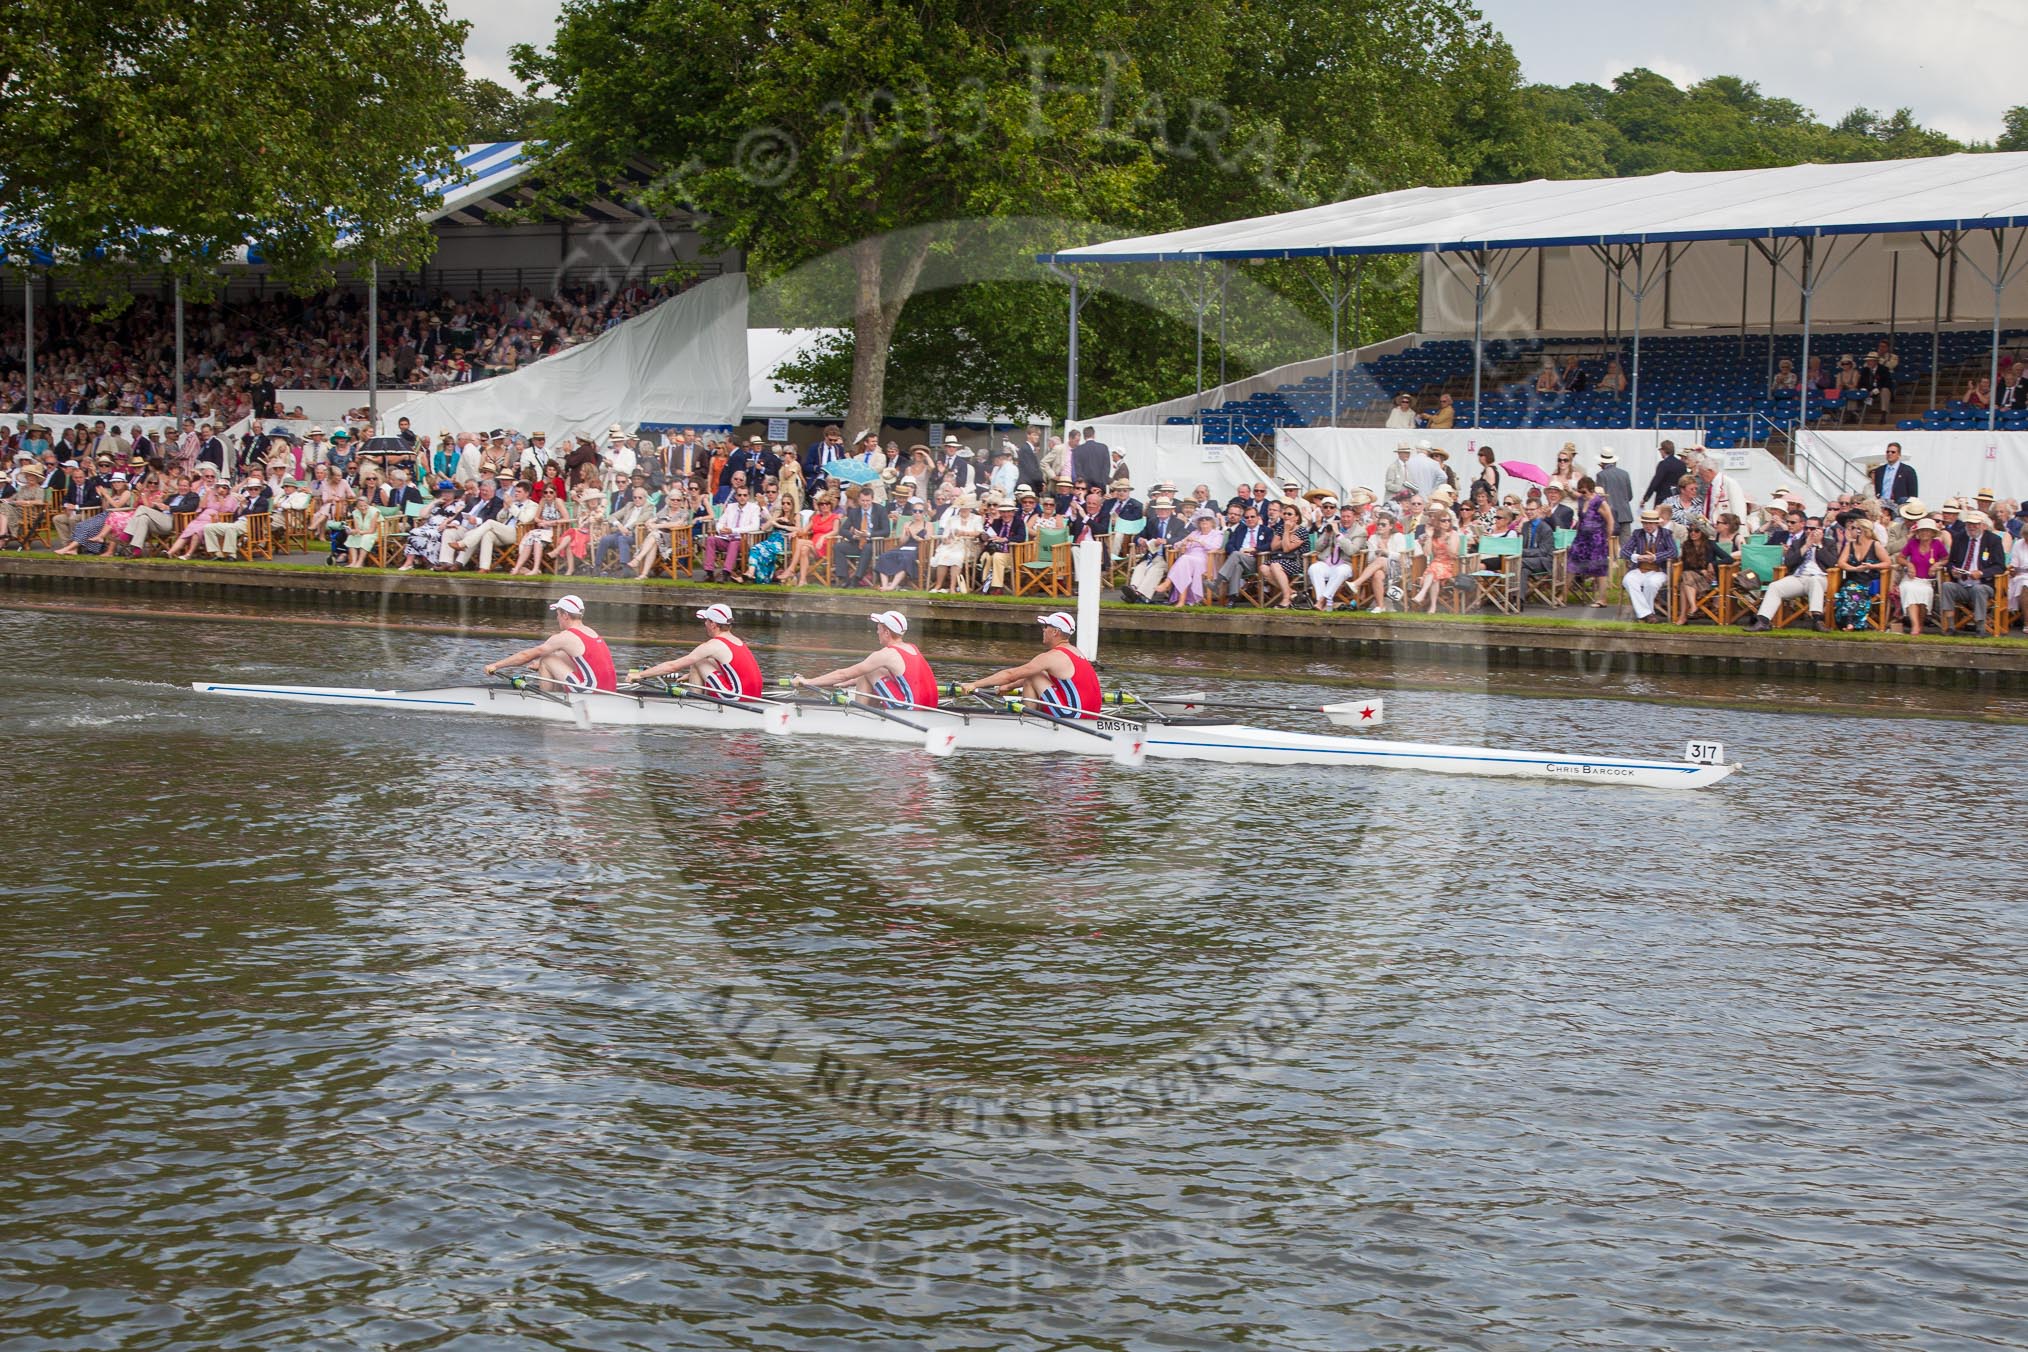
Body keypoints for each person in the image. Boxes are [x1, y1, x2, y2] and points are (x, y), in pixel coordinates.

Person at [957, 611, 1101, 718]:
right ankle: (1034, 717)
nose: (1043, 629)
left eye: (1046, 626)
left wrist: (974, 684)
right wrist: (1009, 687)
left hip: (1072, 716)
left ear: (1055, 632)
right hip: (1091, 715)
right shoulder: (1077, 652)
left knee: (1031, 677)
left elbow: (1010, 675)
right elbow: (1035, 676)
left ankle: (1028, 722)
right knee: (1037, 674)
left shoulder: (1052, 657)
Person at [793, 611, 938, 709]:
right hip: (930, 706)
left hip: (911, 708)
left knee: (867, 672)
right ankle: (870, 710)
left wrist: (808, 681)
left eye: (879, 628)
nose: (877, 632)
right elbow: (900, 678)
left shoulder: (886, 654)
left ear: (887, 632)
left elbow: (844, 673)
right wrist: (848, 683)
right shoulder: (912, 648)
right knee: (871, 671)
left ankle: (859, 717)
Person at [483, 594, 618, 692]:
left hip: (590, 691)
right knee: (557, 655)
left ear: (565, 615)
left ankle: (545, 703)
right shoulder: (590, 632)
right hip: (608, 690)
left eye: (558, 613)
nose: (557, 617)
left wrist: (496, 665)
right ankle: (558, 694)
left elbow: (526, 655)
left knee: (546, 659)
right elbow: (576, 659)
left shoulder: (565, 636)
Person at [632, 603, 764, 697]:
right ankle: (696, 688)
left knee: (697, 661)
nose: (705, 624)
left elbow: (672, 666)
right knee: (706, 661)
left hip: (736, 697)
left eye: (706, 620)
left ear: (713, 624)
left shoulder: (714, 645)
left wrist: (640, 675)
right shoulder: (737, 641)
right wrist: (691, 676)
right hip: (753, 696)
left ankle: (693, 704)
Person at [1742, 515, 1837, 631]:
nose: (1808, 531)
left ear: (1821, 529)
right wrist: (1806, 546)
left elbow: (1831, 563)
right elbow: (1789, 562)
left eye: (1812, 529)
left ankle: (1817, 620)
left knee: (1814, 580)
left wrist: (1819, 545)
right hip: (1799, 577)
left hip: (1820, 578)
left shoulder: (1829, 543)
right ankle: (1763, 621)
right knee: (1774, 586)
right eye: (1807, 528)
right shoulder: (1798, 543)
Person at [1940, 510, 2006, 636]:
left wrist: (1981, 573)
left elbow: (2000, 566)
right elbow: (1950, 562)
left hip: (1983, 583)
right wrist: (1953, 570)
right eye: (1969, 523)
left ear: (1982, 525)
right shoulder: (1959, 538)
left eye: (1975, 524)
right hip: (1962, 583)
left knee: (1979, 589)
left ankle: (1980, 627)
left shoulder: (1993, 540)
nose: (1971, 526)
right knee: (1947, 586)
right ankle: (1950, 626)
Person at [1621, 508, 1678, 622]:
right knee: (1628, 580)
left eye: (1651, 523)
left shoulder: (1666, 534)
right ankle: (1647, 614)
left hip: (1659, 570)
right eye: (1645, 523)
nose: (1648, 526)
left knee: (1651, 583)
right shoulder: (1638, 533)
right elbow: (1623, 551)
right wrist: (1637, 557)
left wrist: (1655, 557)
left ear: (1657, 523)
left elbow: (1673, 552)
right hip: (1640, 569)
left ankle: (1645, 615)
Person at [1566, 476, 1614, 605]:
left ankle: (1603, 598)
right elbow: (1580, 517)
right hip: (1581, 538)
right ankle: (1563, 595)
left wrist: (1608, 536)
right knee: (1571, 564)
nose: (1582, 494)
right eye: (1580, 491)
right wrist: (1569, 490)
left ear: (1591, 490)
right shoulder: (1581, 500)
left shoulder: (1599, 502)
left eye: (1584, 492)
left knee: (1599, 569)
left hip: (1597, 539)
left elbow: (1610, 520)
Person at [1898, 518, 1949, 635]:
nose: (1924, 533)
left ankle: (1920, 624)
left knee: (1924, 592)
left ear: (1932, 533)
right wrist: (1909, 564)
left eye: (1927, 531)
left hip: (1928, 580)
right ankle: (1915, 626)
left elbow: (1946, 559)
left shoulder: (1937, 544)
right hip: (1912, 579)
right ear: (1917, 533)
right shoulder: (1912, 543)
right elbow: (1900, 558)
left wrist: (1938, 564)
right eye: (1921, 531)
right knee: (1908, 588)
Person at [1596, 449, 1634, 541]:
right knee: (1625, 547)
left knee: (1610, 547)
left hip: (1609, 514)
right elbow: (1629, 496)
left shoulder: (1601, 475)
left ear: (1602, 462)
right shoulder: (1625, 474)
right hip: (1625, 515)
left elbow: (1600, 497)